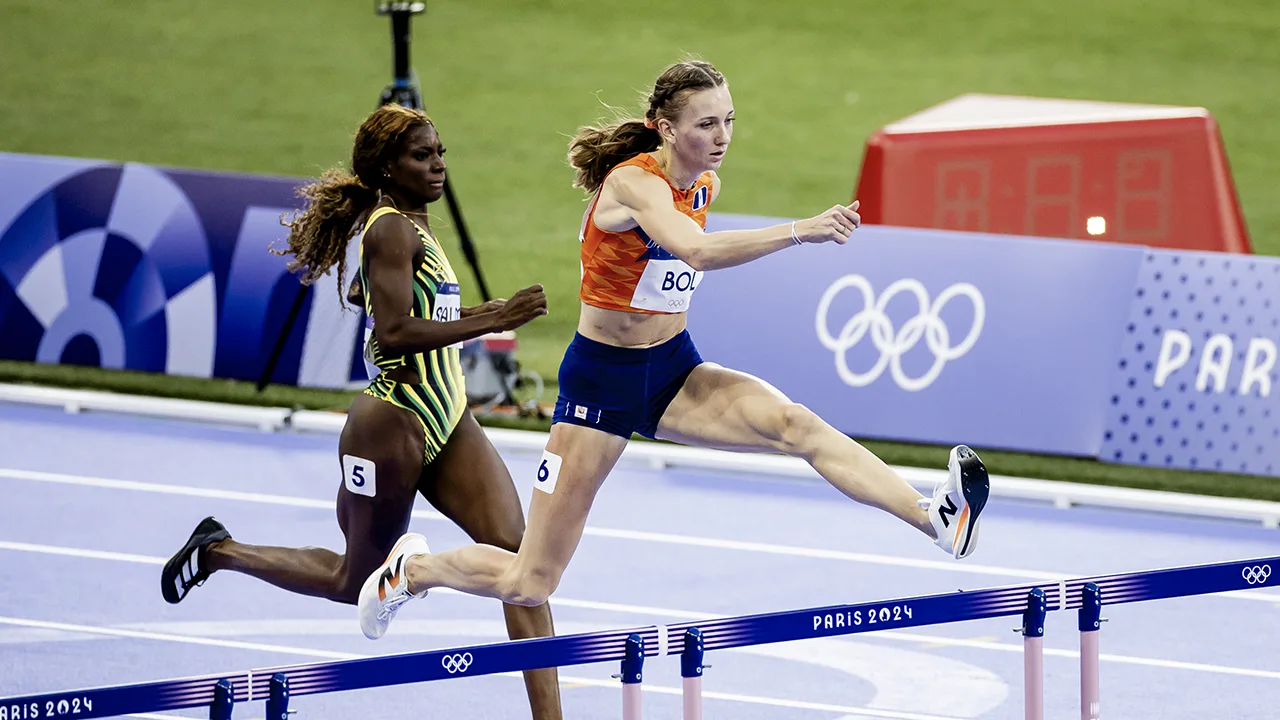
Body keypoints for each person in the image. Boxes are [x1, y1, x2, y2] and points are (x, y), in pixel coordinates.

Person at [357, 60, 990, 639]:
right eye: (706, 124)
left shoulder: (703, 182)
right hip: (601, 385)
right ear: (665, 128)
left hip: (674, 370)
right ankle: (411, 572)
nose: (721, 136)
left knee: (795, 425)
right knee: (532, 580)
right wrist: (802, 231)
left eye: (729, 121)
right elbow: (696, 253)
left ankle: (935, 518)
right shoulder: (635, 185)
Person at [159, 104, 563, 719]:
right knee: (356, 583)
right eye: (422, 156)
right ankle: (219, 551)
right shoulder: (389, 229)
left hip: (448, 418)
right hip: (391, 427)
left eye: (440, 152)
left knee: (521, 561)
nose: (439, 165)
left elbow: (421, 313)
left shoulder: (415, 225)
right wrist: (494, 319)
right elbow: (394, 332)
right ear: (386, 167)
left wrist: (480, 312)